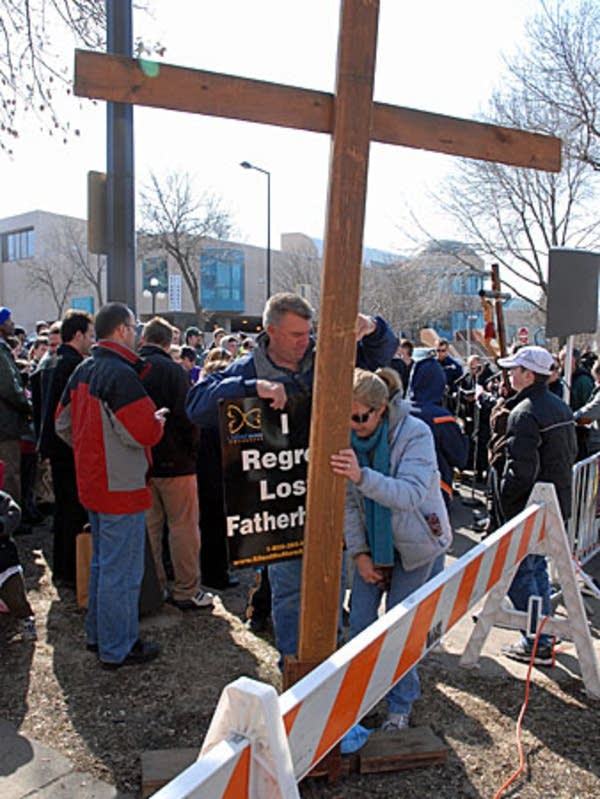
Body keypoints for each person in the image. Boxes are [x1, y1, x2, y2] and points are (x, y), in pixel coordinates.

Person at [186, 292, 398, 662]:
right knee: (288, 590)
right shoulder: (248, 369)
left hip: (334, 494)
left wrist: (374, 327)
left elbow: (381, 353)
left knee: (333, 586)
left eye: (309, 332)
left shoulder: (326, 360)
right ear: (271, 332)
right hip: (279, 502)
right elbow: (196, 406)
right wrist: (252, 390)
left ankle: (329, 663)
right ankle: (293, 666)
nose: (306, 341)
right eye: (297, 335)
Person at [330, 367, 451, 731]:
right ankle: (360, 700)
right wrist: (361, 554)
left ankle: (400, 706)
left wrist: (361, 476)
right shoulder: (350, 438)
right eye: (346, 418)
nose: (353, 425)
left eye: (359, 417)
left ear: (380, 409)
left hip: (417, 544)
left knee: (401, 627)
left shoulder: (416, 434)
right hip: (375, 545)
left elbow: (410, 494)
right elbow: (350, 505)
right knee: (362, 626)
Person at [55, 302, 166, 670]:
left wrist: (92, 448)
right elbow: (144, 431)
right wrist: (157, 423)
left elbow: (62, 424)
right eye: (134, 327)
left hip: (92, 482)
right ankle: (117, 646)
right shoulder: (119, 375)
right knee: (122, 571)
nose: (136, 333)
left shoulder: (83, 370)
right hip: (120, 486)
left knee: (104, 565)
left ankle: (99, 636)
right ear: (121, 329)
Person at [494, 345, 577, 666]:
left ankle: (538, 639)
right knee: (537, 567)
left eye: (515, 369)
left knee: (517, 572)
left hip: (531, 508)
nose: (510, 374)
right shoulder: (559, 407)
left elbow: (520, 471)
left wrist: (506, 511)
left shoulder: (525, 412)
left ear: (530, 374)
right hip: (554, 505)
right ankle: (543, 633)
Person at [139, 316, 213, 610]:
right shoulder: (173, 371)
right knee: (183, 527)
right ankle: (186, 589)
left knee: (151, 527)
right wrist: (191, 451)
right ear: (168, 342)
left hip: (142, 461)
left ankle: (155, 588)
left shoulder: (131, 368)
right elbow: (188, 416)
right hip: (176, 461)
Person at [34, 310, 95, 586]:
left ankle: (63, 568)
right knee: (71, 509)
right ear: (79, 335)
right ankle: (72, 570)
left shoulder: (52, 363)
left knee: (63, 510)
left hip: (53, 445)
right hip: (67, 447)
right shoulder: (73, 366)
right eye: (90, 335)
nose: (92, 341)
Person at [408, 355, 469, 508]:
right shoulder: (442, 418)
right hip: (435, 490)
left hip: (401, 487)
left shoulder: (398, 411)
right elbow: (460, 458)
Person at [0, 307, 32, 504]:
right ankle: (11, 521)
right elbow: (8, 388)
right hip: (5, 425)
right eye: (8, 320)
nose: (12, 324)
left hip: (6, 423)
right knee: (9, 473)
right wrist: (28, 406)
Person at [0, 488, 37, 642]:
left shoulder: (2, 499)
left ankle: (26, 619)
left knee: (16, 597)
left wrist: (1, 525)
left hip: (4, 561)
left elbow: (14, 513)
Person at [435, 338, 463, 411]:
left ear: (447, 350)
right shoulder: (432, 365)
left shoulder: (455, 365)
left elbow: (460, 382)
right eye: (438, 350)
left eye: (443, 351)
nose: (440, 353)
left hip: (450, 398)